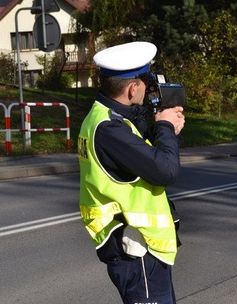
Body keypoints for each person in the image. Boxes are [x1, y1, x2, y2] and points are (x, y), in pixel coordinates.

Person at [78, 41, 185, 304]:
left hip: (138, 247)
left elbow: (144, 157)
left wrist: (162, 125)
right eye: (146, 81)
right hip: (135, 248)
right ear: (132, 87)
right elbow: (165, 170)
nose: (149, 88)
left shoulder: (106, 117)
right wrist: (165, 129)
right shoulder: (109, 130)